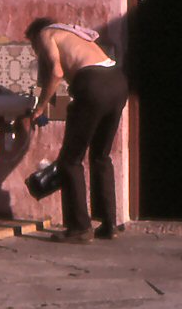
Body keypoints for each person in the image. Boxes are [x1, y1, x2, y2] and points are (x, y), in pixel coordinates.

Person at [21, 17, 128, 242]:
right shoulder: (72, 33)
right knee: (101, 156)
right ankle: (109, 224)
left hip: (93, 85)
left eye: (32, 46)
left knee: (70, 160)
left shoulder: (46, 34)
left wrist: (40, 107)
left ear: (34, 35)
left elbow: (56, 72)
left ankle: (79, 228)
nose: (35, 51)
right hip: (117, 82)